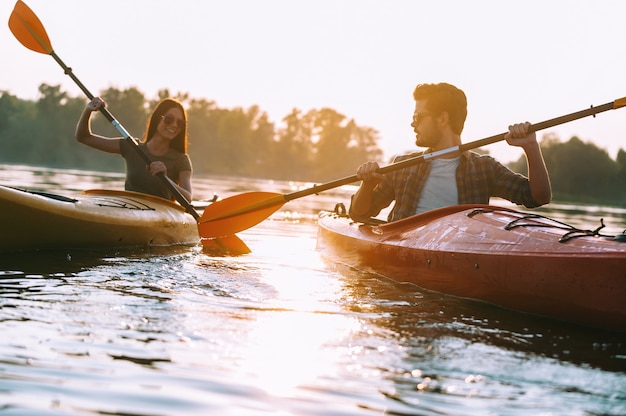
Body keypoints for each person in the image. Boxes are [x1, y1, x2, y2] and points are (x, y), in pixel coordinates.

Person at [349, 82, 552, 223]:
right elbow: (360, 214)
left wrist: (531, 147)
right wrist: (367, 185)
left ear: (443, 119)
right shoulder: (402, 165)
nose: (412, 123)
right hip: (403, 253)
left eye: (418, 117)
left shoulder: (484, 169)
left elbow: (538, 197)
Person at [75, 97, 193, 202]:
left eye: (180, 123)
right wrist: (88, 110)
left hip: (162, 216)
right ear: (157, 119)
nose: (174, 125)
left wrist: (166, 179)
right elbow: (83, 137)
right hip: (129, 208)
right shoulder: (132, 147)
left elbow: (188, 198)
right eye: (169, 119)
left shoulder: (181, 159)